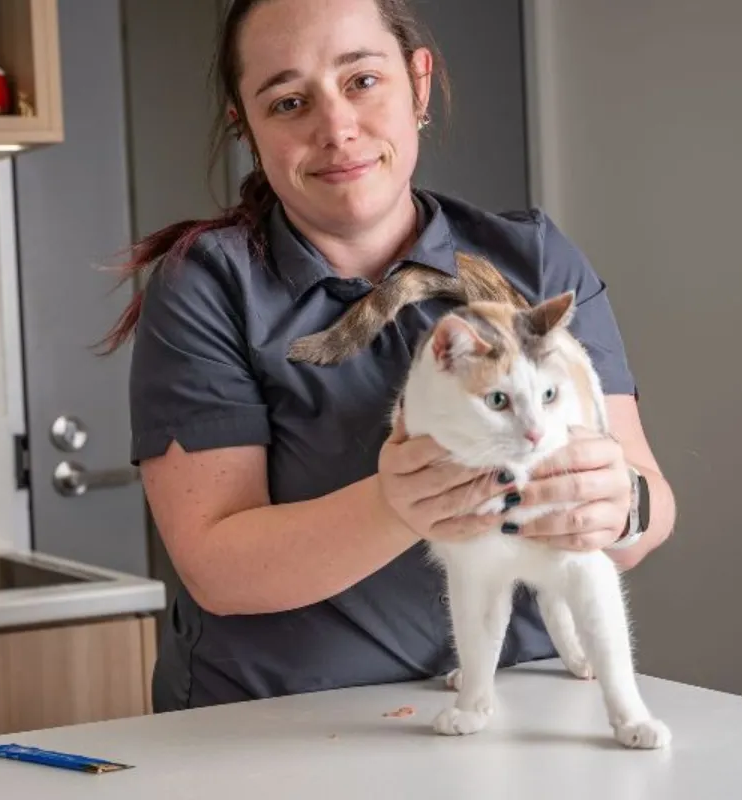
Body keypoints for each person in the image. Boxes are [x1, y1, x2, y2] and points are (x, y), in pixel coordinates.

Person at [102, 0, 676, 713]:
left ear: (419, 83)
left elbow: (646, 502)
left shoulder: (533, 257)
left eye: (363, 81)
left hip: (526, 704)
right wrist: (396, 504)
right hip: (283, 720)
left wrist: (621, 508)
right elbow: (217, 566)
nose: (337, 127)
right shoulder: (209, 288)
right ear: (243, 124)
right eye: (288, 102)